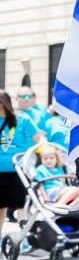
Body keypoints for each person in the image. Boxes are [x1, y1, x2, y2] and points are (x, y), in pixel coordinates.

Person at [0, 90, 41, 235]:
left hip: (18, 170)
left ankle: (24, 237)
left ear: (2, 103)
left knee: (22, 206)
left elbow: (39, 138)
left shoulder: (22, 119)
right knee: (1, 208)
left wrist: (46, 153)